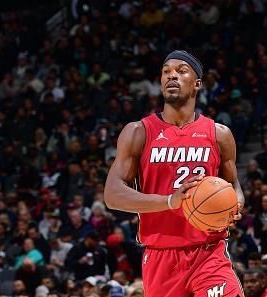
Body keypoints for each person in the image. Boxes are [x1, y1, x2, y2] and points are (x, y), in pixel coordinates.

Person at [104, 50, 245, 296]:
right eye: (166, 71)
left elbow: (233, 185)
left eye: (181, 71)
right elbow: (112, 195)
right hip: (161, 256)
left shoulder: (219, 134)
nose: (172, 76)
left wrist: (235, 207)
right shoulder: (138, 132)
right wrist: (170, 200)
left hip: (208, 251)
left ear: (197, 84)